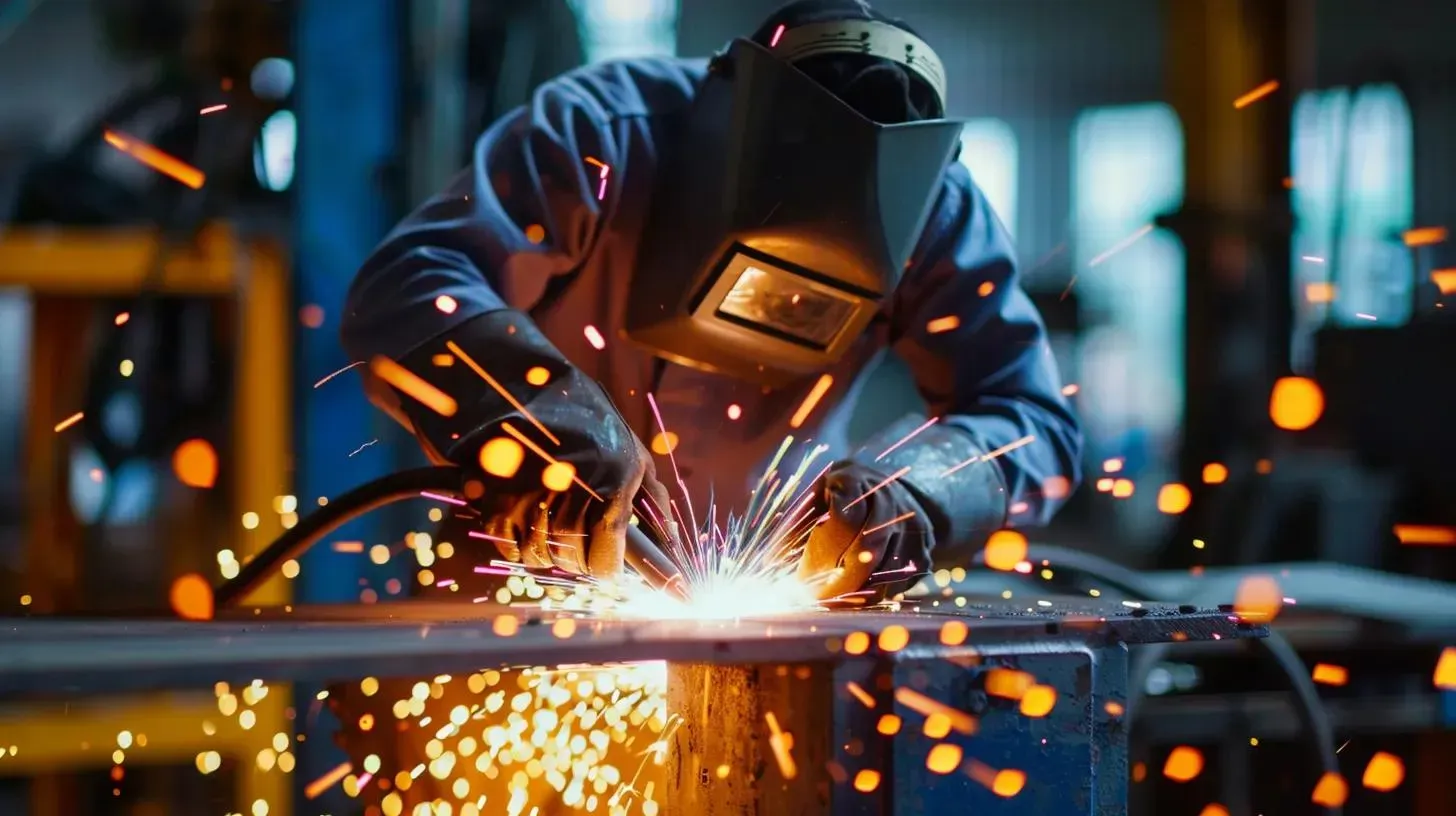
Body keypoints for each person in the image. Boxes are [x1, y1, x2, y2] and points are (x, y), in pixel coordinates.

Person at [341, 0, 1083, 603]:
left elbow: (1031, 424)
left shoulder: (935, 211)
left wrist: (918, 492)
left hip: (787, 592)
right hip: (521, 575)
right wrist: (539, 415)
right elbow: (409, 285)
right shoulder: (600, 135)